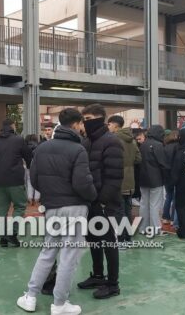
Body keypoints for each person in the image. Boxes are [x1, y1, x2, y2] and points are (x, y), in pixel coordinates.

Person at [16, 108, 97, 315]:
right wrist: (92, 195)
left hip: (52, 206)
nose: (82, 127)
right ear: (76, 124)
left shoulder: (42, 148)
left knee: (48, 252)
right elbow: (82, 182)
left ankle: (30, 296)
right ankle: (59, 303)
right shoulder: (78, 149)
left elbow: (34, 179)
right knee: (69, 256)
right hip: (74, 207)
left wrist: (51, 193)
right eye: (81, 124)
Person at [77, 104, 123, 300]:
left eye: (88, 119)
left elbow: (114, 177)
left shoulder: (112, 142)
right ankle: (97, 276)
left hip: (105, 203)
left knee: (108, 241)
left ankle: (112, 284)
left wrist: (103, 201)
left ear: (99, 118)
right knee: (93, 240)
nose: (85, 123)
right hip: (90, 201)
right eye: (84, 120)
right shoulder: (87, 142)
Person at [0, 119, 33, 247]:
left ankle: (3, 237)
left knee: (1, 210)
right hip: (15, 179)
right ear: (13, 126)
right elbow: (28, 156)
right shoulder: (18, 140)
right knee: (20, 206)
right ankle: (12, 233)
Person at [107, 115, 141, 247]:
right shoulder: (132, 140)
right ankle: (128, 239)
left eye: (109, 124)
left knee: (118, 211)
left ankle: (121, 240)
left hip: (118, 179)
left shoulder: (113, 140)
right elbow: (138, 159)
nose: (108, 127)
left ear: (115, 125)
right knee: (127, 210)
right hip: (130, 180)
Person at [138, 125, 167, 236]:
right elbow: (162, 163)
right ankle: (155, 228)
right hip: (156, 179)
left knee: (144, 204)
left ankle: (143, 228)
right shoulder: (158, 145)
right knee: (154, 205)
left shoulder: (143, 144)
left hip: (143, 178)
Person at [162, 131, 179, 226]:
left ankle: (165, 217)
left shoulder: (165, 146)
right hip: (175, 174)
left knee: (168, 196)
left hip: (166, 175)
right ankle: (173, 218)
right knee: (176, 197)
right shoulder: (177, 146)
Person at [24, 134, 41, 205]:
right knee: (38, 181)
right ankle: (37, 198)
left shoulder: (25, 147)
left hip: (28, 166)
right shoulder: (39, 146)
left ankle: (30, 197)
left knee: (29, 181)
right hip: (37, 165)